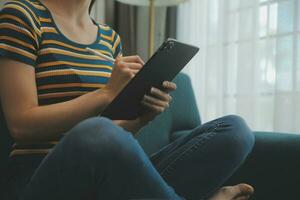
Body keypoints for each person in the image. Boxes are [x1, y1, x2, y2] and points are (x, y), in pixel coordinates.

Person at [0, 0, 255, 199]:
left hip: (106, 180)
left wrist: (141, 119)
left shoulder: (110, 39)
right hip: (39, 176)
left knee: (234, 131)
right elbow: (21, 124)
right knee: (97, 131)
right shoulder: (21, 16)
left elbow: (114, 133)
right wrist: (105, 94)